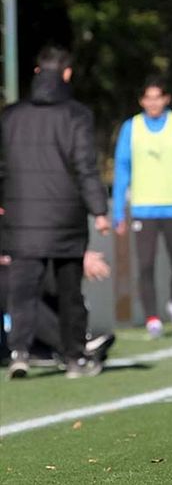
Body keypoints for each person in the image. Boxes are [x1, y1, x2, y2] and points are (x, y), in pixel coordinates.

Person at [1, 45, 110, 379]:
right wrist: (100, 210)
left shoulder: (11, 115)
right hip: (66, 218)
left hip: (20, 220)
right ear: (67, 74)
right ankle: (75, 357)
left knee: (23, 290)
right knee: (69, 291)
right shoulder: (77, 115)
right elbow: (84, 167)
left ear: (36, 73)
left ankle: (18, 352)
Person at [113, 76, 172, 340]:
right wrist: (119, 212)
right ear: (142, 101)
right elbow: (121, 170)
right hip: (143, 208)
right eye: (147, 98)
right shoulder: (132, 127)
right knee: (146, 266)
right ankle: (152, 319)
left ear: (166, 99)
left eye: (157, 97)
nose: (153, 103)